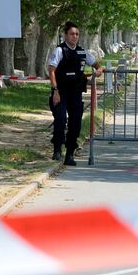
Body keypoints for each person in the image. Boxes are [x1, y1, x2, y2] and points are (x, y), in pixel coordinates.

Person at [48, 21, 103, 166]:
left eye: (77, 34)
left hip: (76, 93)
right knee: (60, 120)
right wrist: (55, 91)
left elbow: (96, 64)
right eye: (72, 34)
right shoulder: (59, 51)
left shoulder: (82, 51)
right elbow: (51, 71)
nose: (75, 36)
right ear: (65, 35)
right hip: (61, 91)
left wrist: (99, 70)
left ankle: (70, 153)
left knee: (75, 123)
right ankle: (57, 148)